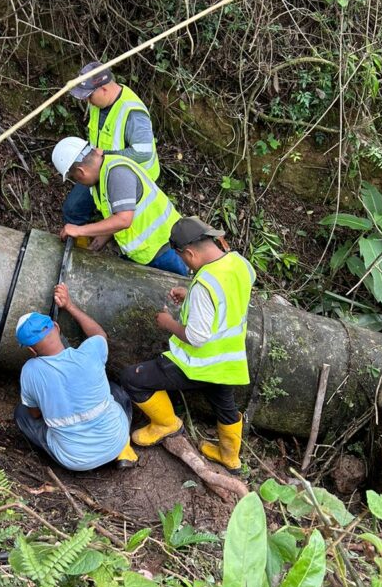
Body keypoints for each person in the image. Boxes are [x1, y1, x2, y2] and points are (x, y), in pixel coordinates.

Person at [119, 217, 256, 473]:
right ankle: (230, 457)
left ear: (189, 253)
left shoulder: (205, 284)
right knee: (225, 407)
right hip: (229, 362)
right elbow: (227, 293)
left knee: (132, 379)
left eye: (183, 258)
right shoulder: (241, 264)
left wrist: (168, 322)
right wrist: (191, 292)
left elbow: (196, 336)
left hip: (198, 363)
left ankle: (166, 424)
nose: (185, 264)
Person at [13, 284, 139, 471]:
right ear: (57, 327)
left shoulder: (29, 371)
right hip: (116, 441)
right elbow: (99, 334)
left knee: (21, 413)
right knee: (116, 391)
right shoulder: (89, 352)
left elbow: (34, 414)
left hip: (76, 461)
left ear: (31, 350)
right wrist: (69, 305)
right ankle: (124, 451)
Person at [51, 138, 188, 276]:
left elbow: (123, 220)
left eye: (75, 178)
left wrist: (79, 230)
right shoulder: (103, 175)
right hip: (147, 251)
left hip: (165, 249)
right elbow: (115, 219)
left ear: (81, 172)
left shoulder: (117, 173)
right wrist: (95, 246)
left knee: (178, 290)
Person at [62, 61, 160, 227]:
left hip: (131, 181)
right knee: (72, 209)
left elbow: (143, 153)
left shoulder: (133, 112)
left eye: (89, 96)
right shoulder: (98, 102)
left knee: (119, 227)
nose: (88, 101)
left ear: (104, 89)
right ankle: (79, 246)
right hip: (99, 170)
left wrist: (103, 156)